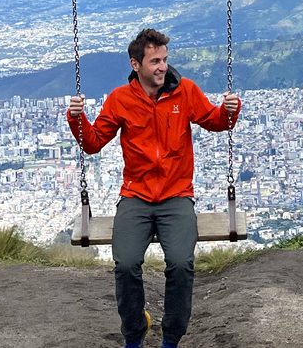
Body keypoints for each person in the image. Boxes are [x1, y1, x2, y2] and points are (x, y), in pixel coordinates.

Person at [67, 28, 241, 348]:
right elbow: (93, 144)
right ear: (136, 65)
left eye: (164, 60)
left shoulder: (185, 91)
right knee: (127, 264)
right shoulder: (120, 100)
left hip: (176, 195)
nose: (162, 67)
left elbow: (215, 122)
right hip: (136, 195)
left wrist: (229, 109)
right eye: (155, 61)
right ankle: (135, 330)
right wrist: (77, 120)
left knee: (180, 263)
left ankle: (171, 336)